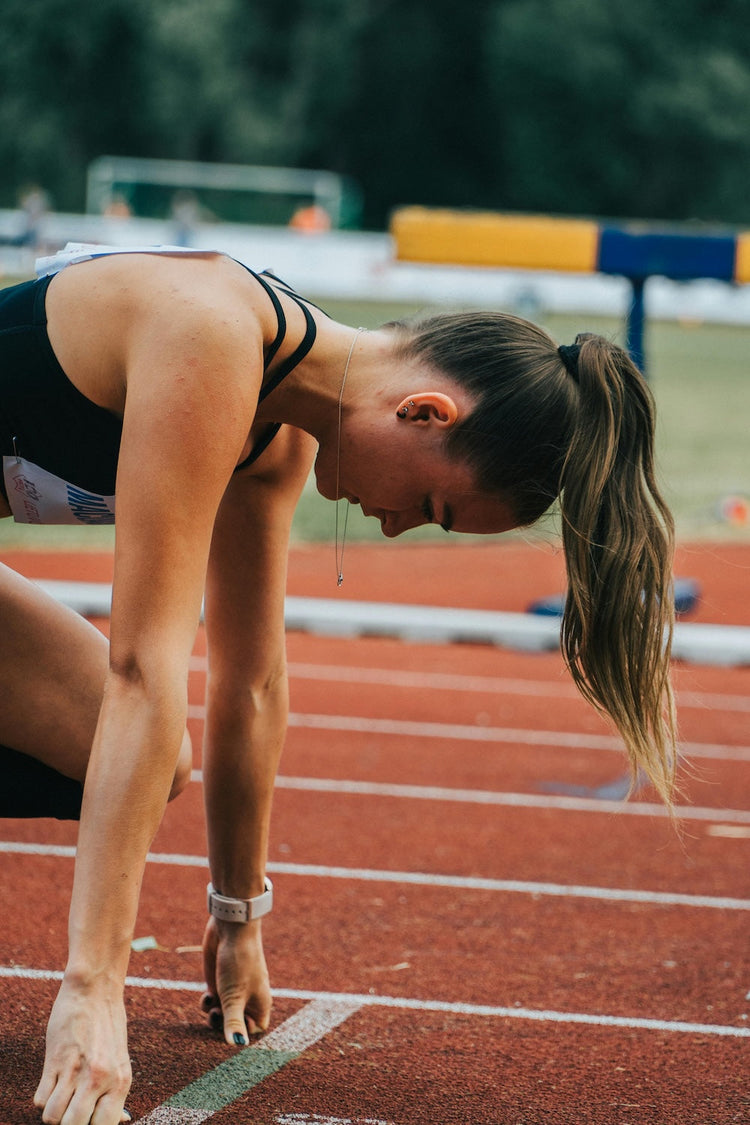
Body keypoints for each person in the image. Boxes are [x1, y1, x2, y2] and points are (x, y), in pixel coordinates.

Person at [0, 244, 676, 1125]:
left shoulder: (273, 434)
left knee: (139, 757)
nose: (392, 530)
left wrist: (239, 911)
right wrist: (94, 988)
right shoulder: (209, 335)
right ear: (427, 412)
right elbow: (143, 667)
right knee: (131, 714)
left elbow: (251, 680)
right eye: (430, 508)